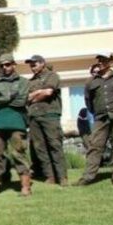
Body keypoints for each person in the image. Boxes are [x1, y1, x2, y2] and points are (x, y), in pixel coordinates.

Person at [0, 54, 31, 196]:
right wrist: (10, 97)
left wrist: (2, 99)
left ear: (14, 64)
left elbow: (21, 101)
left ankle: (25, 188)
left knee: (18, 153)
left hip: (17, 121)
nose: (5, 67)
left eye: (8, 64)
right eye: (3, 65)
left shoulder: (24, 82)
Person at [78, 53, 113, 186]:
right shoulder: (91, 81)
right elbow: (88, 101)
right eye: (99, 60)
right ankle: (88, 177)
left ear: (111, 62)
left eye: (104, 60)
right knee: (94, 145)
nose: (101, 62)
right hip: (100, 117)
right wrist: (96, 112)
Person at [25, 55, 67, 185]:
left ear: (42, 63)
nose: (32, 66)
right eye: (30, 64)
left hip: (50, 115)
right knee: (40, 148)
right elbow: (25, 99)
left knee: (55, 145)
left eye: (35, 63)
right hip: (34, 117)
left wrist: (33, 96)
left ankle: (62, 177)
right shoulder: (29, 81)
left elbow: (48, 92)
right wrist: (37, 93)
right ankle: (50, 176)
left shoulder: (52, 76)